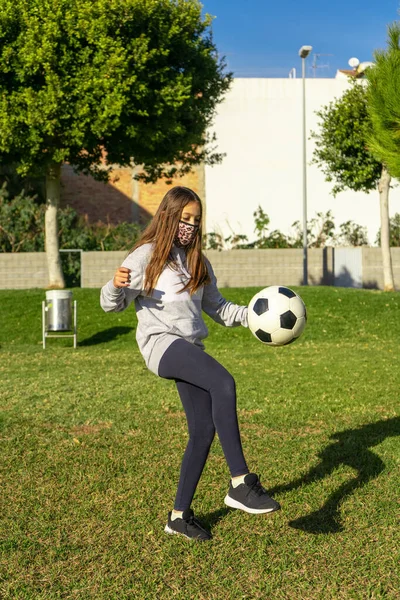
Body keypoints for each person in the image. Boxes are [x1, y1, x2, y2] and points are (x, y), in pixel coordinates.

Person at [100, 186, 280, 541]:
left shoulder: (198, 261)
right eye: (185, 219)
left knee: (202, 430)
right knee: (223, 382)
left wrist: (257, 318)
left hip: (189, 348)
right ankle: (240, 482)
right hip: (161, 344)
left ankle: (179, 517)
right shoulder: (146, 255)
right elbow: (112, 304)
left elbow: (221, 308)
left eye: (196, 220)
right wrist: (114, 285)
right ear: (169, 217)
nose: (191, 226)